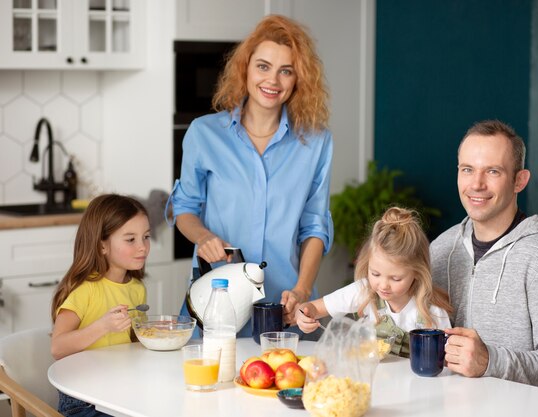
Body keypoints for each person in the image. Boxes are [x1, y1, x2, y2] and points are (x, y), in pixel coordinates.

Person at [167, 14, 333, 336]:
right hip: (217, 301)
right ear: (245, 68)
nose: (273, 80)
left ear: (298, 79)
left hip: (285, 308)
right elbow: (183, 207)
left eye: (286, 71)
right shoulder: (204, 134)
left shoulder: (316, 142)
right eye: (263, 66)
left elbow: (315, 226)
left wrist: (301, 289)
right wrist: (203, 237)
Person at [430, 119, 538, 390]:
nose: (476, 184)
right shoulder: (441, 249)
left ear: (519, 181)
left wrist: (490, 361)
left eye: (492, 171)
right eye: (467, 169)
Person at [296, 207, 452, 357]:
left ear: (417, 273)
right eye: (375, 274)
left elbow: (446, 359)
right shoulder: (364, 290)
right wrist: (304, 313)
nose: (383, 285)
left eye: (395, 278)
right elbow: (313, 308)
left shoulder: (432, 312)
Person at [50, 194, 150, 416]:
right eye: (130, 239)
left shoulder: (136, 289)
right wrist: (103, 326)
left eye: (146, 237)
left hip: (120, 388)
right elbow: (58, 348)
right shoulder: (84, 289)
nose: (143, 247)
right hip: (83, 399)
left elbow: (134, 342)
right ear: (102, 245)